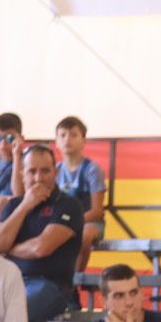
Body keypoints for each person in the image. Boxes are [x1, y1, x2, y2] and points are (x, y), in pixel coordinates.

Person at [0, 144, 84, 322]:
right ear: (22, 174)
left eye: (45, 171)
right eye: (32, 171)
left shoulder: (69, 205)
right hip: (11, 282)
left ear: (56, 172)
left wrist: (10, 247)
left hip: (51, 286)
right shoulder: (14, 205)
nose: (38, 178)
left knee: (17, 311)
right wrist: (25, 205)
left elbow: (41, 248)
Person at [54, 116, 108, 275]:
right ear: (56, 141)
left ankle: (75, 277)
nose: (67, 139)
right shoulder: (54, 170)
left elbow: (97, 210)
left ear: (84, 141)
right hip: (63, 221)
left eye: (73, 135)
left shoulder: (92, 170)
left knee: (84, 235)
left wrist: (73, 222)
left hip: (90, 223)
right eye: (62, 135)